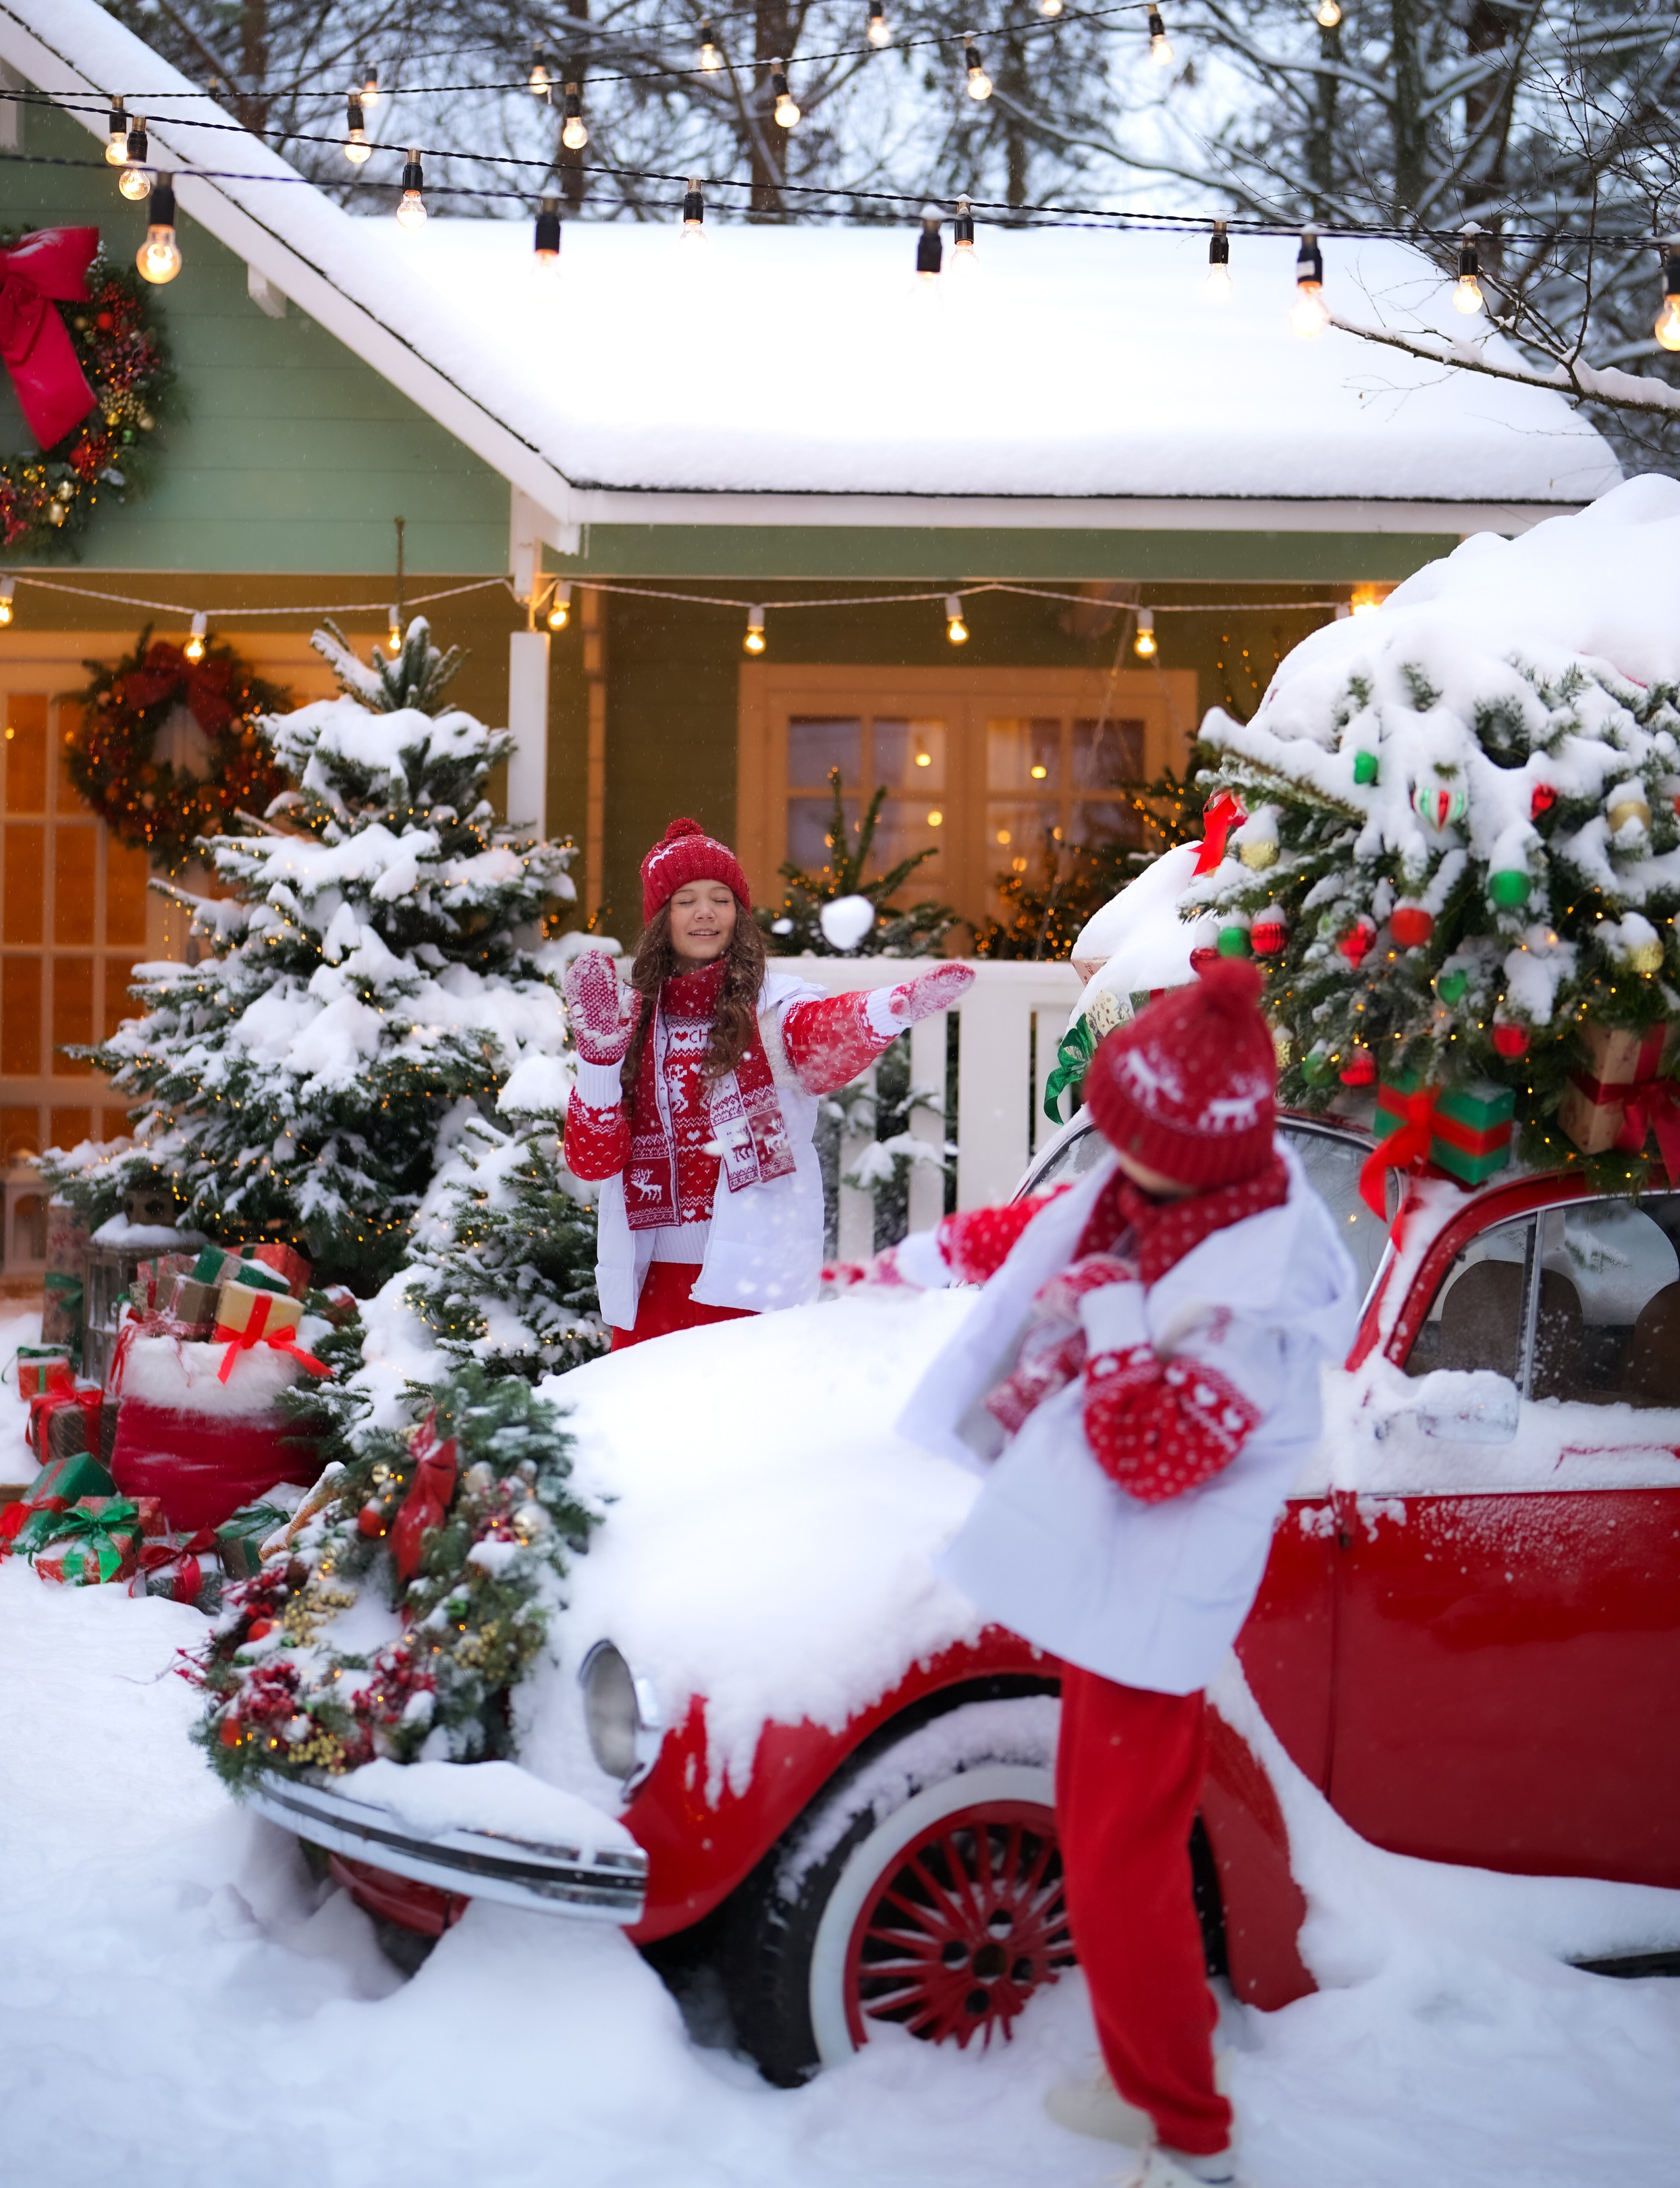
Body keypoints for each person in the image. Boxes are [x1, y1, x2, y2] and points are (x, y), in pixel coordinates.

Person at [869, 960, 1357, 2188]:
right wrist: (930, 1260)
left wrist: (1111, 1321)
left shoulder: (1254, 1304)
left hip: (1154, 1607)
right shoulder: (1183, 1192)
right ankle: (1165, 2076)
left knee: (1120, 1868)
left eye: (1136, 1149)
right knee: (1109, 1854)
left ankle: (1190, 2134)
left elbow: (1152, 1457)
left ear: (1205, 1155)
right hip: (1114, 1591)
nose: (1112, 1168)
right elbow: (1066, 1231)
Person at [562, 815, 973, 1347]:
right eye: (686, 900)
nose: (706, 912)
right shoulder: (629, 1019)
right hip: (647, 1285)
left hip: (747, 1277)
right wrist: (597, 1063)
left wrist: (886, 1011)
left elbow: (821, 1038)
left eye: (721, 898)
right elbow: (592, 1161)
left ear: (740, 913)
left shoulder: (774, 1009)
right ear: (661, 917)